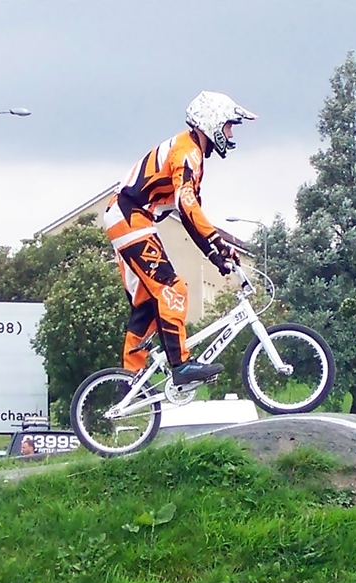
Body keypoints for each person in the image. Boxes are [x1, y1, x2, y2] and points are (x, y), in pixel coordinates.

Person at [102, 91, 254, 386]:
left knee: (146, 305)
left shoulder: (192, 154)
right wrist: (216, 240)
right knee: (172, 289)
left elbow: (187, 216)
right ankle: (180, 365)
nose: (231, 133)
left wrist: (214, 255)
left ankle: (129, 384)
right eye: (228, 125)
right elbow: (188, 206)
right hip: (130, 215)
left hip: (127, 217)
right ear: (211, 122)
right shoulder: (187, 154)